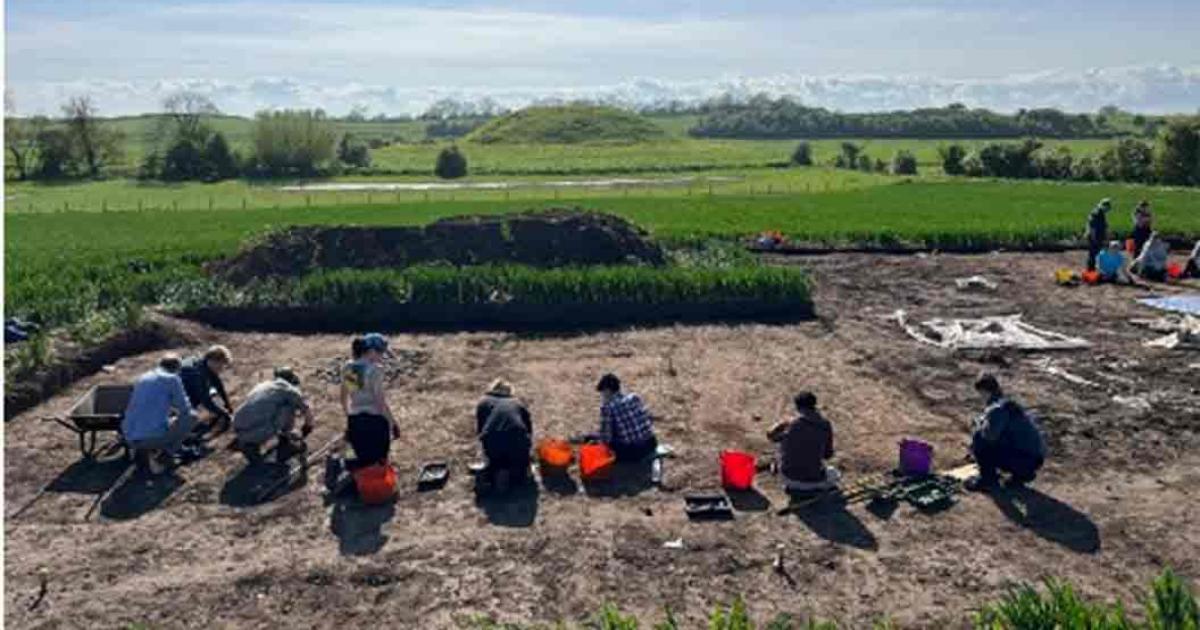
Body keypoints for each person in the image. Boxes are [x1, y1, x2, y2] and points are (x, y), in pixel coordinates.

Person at [965, 373, 1046, 492]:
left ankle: (987, 479)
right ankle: (1023, 474)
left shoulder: (997, 409)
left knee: (979, 437)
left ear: (985, 392)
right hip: (1035, 458)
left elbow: (988, 436)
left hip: (1024, 459)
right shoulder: (1008, 404)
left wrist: (978, 427)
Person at [123, 354, 202, 473]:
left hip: (128, 436)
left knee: (163, 420)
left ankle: (145, 450)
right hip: (149, 438)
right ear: (177, 369)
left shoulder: (143, 377)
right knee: (192, 417)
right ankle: (165, 456)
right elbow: (185, 408)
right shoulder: (172, 379)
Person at [340, 333, 399, 470]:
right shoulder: (375, 370)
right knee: (378, 458)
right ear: (371, 351)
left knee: (360, 456)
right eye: (380, 353)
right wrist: (392, 423)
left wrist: (349, 417)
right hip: (374, 420)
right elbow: (379, 402)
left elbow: (344, 397)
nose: (381, 357)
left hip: (355, 419)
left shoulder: (350, 368)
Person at [231, 367, 314, 463]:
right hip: (255, 432)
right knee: (289, 407)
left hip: (237, 423)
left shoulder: (263, 385)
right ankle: (283, 441)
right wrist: (307, 428)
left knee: (273, 408)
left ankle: (248, 441)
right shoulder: (291, 391)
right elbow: (308, 412)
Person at [767, 391, 840, 492]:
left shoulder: (792, 425)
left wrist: (782, 423)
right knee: (834, 473)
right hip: (814, 480)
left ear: (798, 407)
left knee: (780, 452)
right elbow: (827, 455)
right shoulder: (825, 425)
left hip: (789, 479)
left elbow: (771, 435)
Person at [475, 379, 534, 486]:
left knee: (495, 459)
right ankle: (520, 472)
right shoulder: (517, 403)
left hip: (493, 439)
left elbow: (481, 427)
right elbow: (528, 427)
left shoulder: (484, 401)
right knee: (518, 459)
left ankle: (498, 469)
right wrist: (527, 446)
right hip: (517, 437)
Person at [592, 373, 658, 462]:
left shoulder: (608, 408)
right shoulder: (634, 397)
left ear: (607, 390)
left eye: (602, 392)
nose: (602, 396)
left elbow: (606, 438)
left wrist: (594, 441)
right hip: (651, 444)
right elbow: (647, 419)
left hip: (634, 453)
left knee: (605, 444)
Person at [180, 345, 234, 434]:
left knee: (209, 392)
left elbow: (218, 385)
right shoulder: (196, 373)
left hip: (178, 392)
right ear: (213, 361)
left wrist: (228, 406)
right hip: (170, 400)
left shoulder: (204, 364)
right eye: (221, 366)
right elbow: (205, 400)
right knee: (196, 399)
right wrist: (225, 414)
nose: (222, 369)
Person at [1084, 198, 1111, 271]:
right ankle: (1090, 271)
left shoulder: (1101, 213)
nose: (1107, 210)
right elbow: (1092, 228)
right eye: (1107, 207)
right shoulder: (1096, 214)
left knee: (1097, 254)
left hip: (1098, 236)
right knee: (1093, 254)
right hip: (1094, 237)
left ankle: (1094, 270)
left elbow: (1105, 226)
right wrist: (1094, 239)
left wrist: (1106, 237)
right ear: (1104, 206)